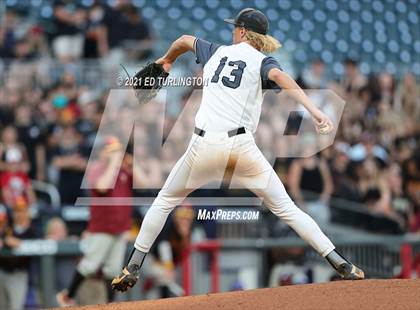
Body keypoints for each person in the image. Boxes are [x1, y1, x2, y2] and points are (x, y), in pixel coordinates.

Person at [111, 8, 364, 292]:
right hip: (241, 148)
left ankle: (133, 264)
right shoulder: (262, 60)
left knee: (164, 201)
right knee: (286, 208)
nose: (232, 31)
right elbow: (280, 76)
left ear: (243, 31)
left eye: (235, 28)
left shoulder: (215, 51)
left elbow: (183, 40)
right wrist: (316, 111)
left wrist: (166, 61)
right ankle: (339, 260)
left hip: (202, 146)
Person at [56, 136, 147, 306]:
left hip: (120, 228)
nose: (116, 154)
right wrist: (113, 163)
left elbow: (144, 184)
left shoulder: (124, 170)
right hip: (102, 227)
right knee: (90, 265)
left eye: (117, 151)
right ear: (103, 153)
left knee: (112, 269)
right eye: (111, 151)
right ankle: (67, 296)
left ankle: (109, 303)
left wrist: (132, 163)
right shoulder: (97, 168)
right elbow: (102, 186)